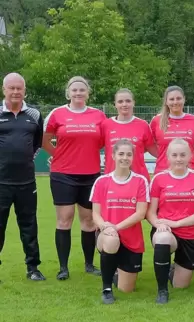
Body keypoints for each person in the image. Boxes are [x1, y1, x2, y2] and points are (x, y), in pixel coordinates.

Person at [43, 76, 106, 280]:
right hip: (63, 175)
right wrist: (58, 155)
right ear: (68, 93)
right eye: (74, 90)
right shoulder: (57, 114)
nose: (78, 93)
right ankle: (63, 268)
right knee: (65, 219)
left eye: (82, 90)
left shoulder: (98, 115)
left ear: (88, 93)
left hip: (90, 175)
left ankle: (89, 264)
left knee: (88, 221)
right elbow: (44, 141)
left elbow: (104, 141)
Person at [147, 139, 194, 304]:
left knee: (181, 286)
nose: (179, 159)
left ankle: (172, 269)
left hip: (191, 234)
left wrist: (178, 223)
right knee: (162, 239)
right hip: (166, 231)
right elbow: (151, 213)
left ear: (190, 156)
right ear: (168, 157)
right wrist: (159, 224)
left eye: (183, 154)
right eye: (174, 155)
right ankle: (162, 291)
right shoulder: (159, 179)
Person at [90, 139, 149, 304]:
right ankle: (107, 289)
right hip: (107, 234)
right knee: (111, 240)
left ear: (133, 157)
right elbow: (95, 214)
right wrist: (104, 227)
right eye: (121, 154)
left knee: (127, 289)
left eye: (129, 154)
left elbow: (140, 213)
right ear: (113, 156)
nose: (125, 157)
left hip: (131, 239)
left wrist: (116, 227)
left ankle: (114, 269)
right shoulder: (101, 182)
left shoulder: (140, 181)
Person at [0, 72, 45, 281]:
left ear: (24, 91)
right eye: (12, 88)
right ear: (4, 90)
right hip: (1, 183)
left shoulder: (34, 115)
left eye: (19, 88)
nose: (16, 92)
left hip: (27, 182)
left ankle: (33, 268)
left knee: (29, 225)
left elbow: (37, 143)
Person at [101, 88, 157, 181]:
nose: (124, 104)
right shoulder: (106, 125)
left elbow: (153, 150)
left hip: (138, 179)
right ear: (115, 104)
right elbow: (96, 146)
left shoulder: (143, 125)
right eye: (120, 101)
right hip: (112, 179)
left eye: (128, 101)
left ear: (133, 103)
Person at [150, 86, 194, 173]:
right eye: (171, 99)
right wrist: (163, 156)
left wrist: (189, 158)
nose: (175, 102)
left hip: (190, 171)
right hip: (164, 171)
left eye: (178, 98)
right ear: (166, 101)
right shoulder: (156, 121)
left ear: (184, 99)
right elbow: (149, 145)